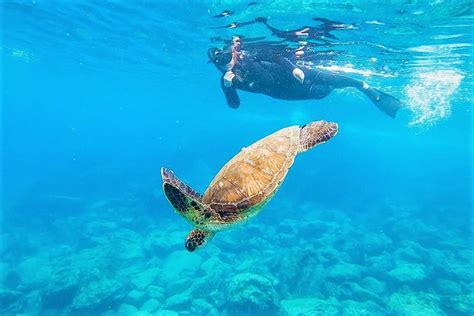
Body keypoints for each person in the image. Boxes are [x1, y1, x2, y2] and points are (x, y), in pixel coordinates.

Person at [208, 41, 403, 117]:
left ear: (231, 53)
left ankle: (363, 87)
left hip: (293, 72)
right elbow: (234, 106)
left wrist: (293, 68)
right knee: (321, 93)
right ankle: (337, 87)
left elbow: (274, 55)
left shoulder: (247, 54)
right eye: (219, 63)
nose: (225, 64)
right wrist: (228, 88)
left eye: (225, 58)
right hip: (282, 91)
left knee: (335, 78)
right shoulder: (227, 80)